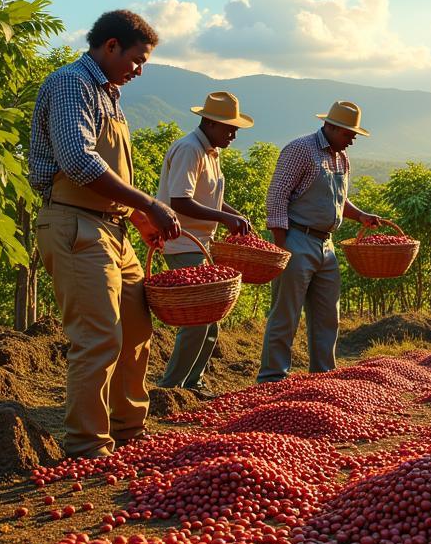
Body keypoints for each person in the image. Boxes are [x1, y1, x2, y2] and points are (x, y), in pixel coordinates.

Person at [29, 10, 181, 459]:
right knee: (98, 338)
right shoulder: (71, 84)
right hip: (76, 226)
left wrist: (134, 218)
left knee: (135, 331)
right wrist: (149, 203)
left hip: (110, 227)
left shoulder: (108, 94)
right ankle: (87, 445)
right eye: (137, 59)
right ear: (110, 46)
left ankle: (129, 430)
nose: (140, 70)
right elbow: (78, 163)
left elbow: (105, 175)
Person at [257, 101, 382, 383]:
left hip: (327, 246)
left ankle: (322, 377)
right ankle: (272, 378)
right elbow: (277, 196)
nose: (352, 140)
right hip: (297, 239)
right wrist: (281, 246)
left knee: (327, 316)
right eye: (349, 134)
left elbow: (337, 200)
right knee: (286, 315)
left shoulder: (341, 159)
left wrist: (360, 215)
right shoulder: (300, 150)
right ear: (332, 127)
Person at [156, 91, 254, 400]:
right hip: (182, 242)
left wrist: (232, 214)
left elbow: (208, 196)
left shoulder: (211, 151)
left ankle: (192, 383)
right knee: (197, 319)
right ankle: (171, 388)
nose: (233, 135)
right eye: (229, 128)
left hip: (202, 243)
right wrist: (224, 220)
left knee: (211, 319)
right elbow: (179, 200)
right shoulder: (189, 149)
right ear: (209, 123)